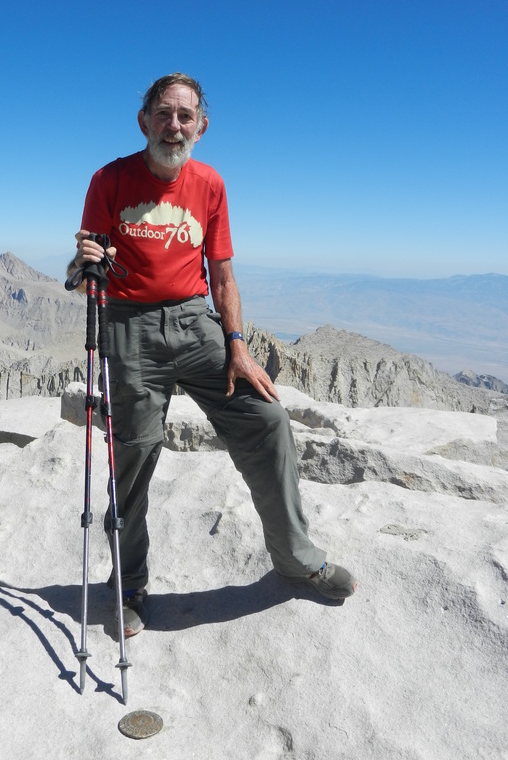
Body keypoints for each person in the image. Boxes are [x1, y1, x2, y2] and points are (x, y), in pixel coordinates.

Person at [68, 72, 357, 636]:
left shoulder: (210, 184)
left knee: (267, 419)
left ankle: (295, 557)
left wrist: (238, 346)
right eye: (164, 113)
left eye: (185, 116)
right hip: (128, 326)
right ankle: (129, 584)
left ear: (201, 126)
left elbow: (222, 274)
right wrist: (83, 263)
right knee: (134, 455)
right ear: (143, 120)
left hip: (197, 322)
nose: (173, 125)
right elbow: (86, 278)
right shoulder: (108, 179)